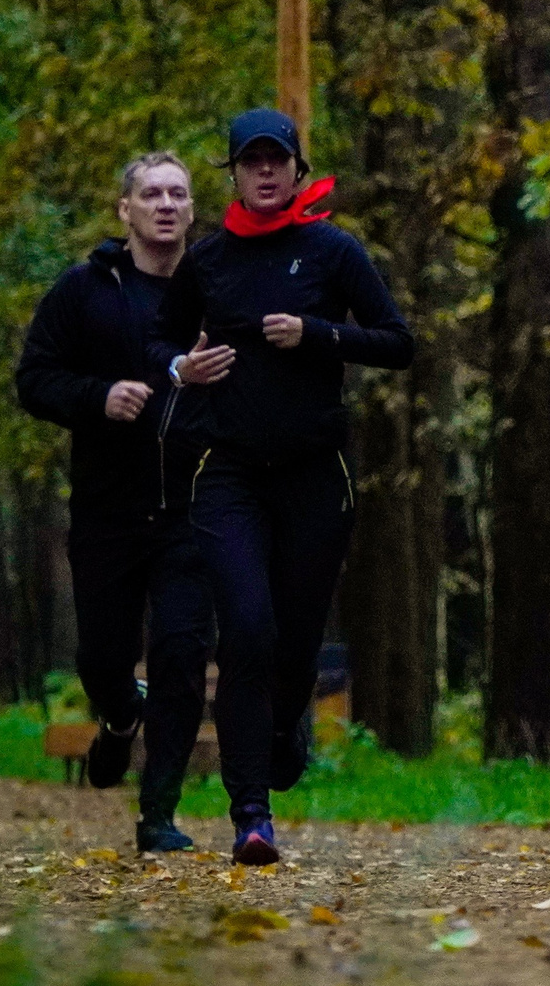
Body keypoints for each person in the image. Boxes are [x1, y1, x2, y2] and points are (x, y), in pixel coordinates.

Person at [152, 108, 413, 866]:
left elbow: (398, 341)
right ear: (231, 172)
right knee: (248, 628)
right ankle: (251, 812)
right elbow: (159, 337)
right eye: (250, 160)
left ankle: (284, 727)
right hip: (228, 472)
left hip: (313, 475)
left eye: (278, 159)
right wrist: (181, 368)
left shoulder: (332, 250)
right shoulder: (207, 261)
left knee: (295, 645)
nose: (265, 171)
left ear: (299, 169)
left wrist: (319, 335)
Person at [16, 152, 216, 854]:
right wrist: (97, 397)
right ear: (124, 211)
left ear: (192, 210)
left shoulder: (217, 287)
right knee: (104, 656)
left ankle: (157, 811)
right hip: (108, 509)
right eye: (151, 193)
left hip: (196, 507)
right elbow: (33, 378)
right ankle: (119, 712)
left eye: (178, 194)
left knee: (183, 655)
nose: (165, 204)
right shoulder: (85, 290)